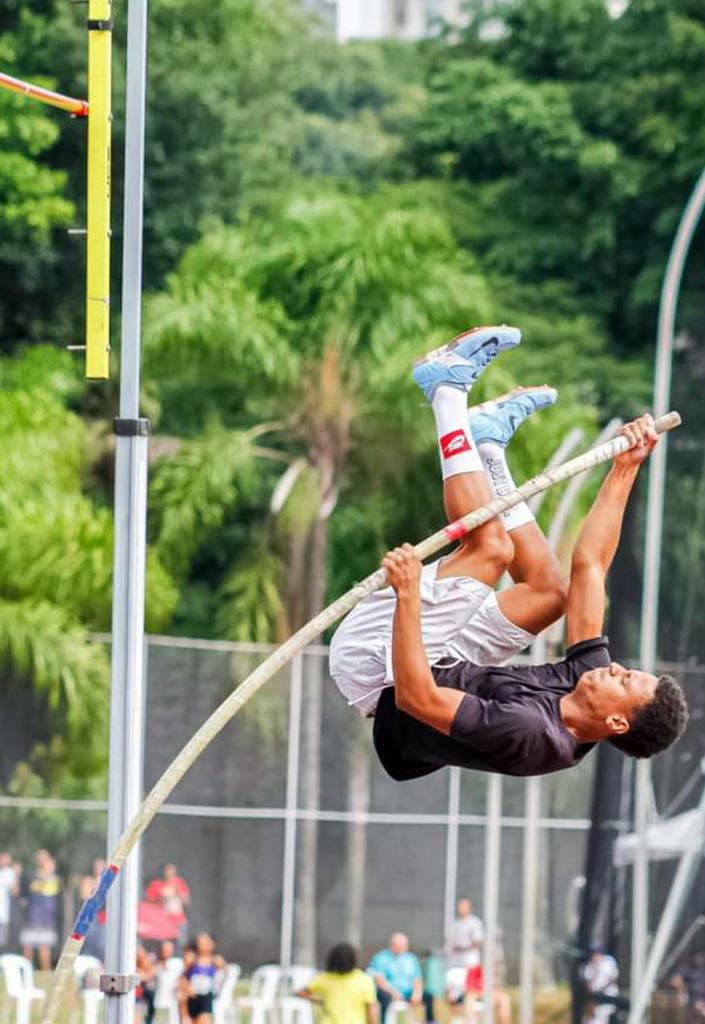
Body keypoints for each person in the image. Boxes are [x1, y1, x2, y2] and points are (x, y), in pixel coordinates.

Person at [330, 325, 688, 781]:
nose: (616, 668)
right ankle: (487, 447)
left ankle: (445, 388)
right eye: (626, 670)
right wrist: (625, 468)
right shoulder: (588, 677)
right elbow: (591, 567)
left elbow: (417, 699)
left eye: (624, 680)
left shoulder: (532, 735)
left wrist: (409, 596)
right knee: (552, 594)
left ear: (617, 722)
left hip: (382, 673)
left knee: (491, 548)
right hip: (444, 660)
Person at [298, 943, 378, 1024]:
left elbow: (301, 993)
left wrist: (319, 1001)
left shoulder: (324, 978)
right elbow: (372, 1012)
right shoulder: (364, 980)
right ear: (353, 959)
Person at [368, 932, 436, 1023]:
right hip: (389, 992)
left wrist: (417, 992)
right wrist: (394, 993)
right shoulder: (381, 958)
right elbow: (380, 981)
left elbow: (417, 979)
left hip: (407, 992)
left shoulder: (411, 958)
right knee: (385, 997)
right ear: (392, 945)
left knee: (429, 996)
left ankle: (430, 1022)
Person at [20, 849, 60, 970]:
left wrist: (50, 872)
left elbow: (54, 890)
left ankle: (45, 970)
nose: (42, 861)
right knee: (28, 944)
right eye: (40, 858)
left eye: (44, 858)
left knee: (45, 945)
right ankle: (27, 969)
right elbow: (32, 888)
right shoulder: (31, 875)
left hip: (46, 917)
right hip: (32, 915)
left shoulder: (53, 878)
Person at [179, 932, 225, 1024]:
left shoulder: (216, 960)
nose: (204, 945)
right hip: (191, 997)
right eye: (201, 942)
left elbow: (225, 977)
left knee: (204, 1020)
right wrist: (187, 988)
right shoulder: (191, 959)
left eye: (207, 942)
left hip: (206, 997)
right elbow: (183, 978)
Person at [145, 864, 191, 950]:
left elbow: (187, 902)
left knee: (180, 946)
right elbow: (148, 903)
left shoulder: (180, 883)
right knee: (163, 947)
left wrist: (178, 891)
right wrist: (161, 898)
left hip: (178, 921)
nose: (170, 876)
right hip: (162, 921)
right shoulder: (156, 885)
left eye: (173, 874)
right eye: (168, 873)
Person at [581, 943, 619, 1023]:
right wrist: (595, 968)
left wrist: (601, 989)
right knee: (593, 1019)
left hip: (608, 995)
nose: (595, 955)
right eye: (593, 953)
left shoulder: (609, 961)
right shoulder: (588, 966)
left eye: (597, 952)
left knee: (604, 1017)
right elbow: (588, 985)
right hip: (596, 998)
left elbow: (612, 978)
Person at [0, 852, 20, 950]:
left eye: (5, 858)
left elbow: (15, 891)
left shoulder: (9, 872)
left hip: (3, 913)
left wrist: (16, 875)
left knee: (2, 941)